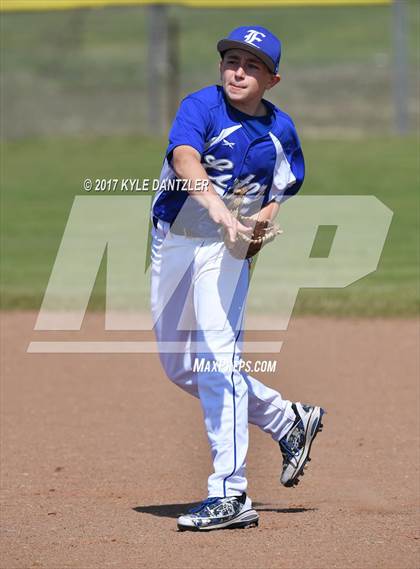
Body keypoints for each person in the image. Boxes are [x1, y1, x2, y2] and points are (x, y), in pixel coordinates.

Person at [150, 25, 325, 532]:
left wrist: (254, 227)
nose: (238, 71)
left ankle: (230, 492)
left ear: (272, 79)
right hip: (175, 239)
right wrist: (220, 211)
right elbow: (184, 158)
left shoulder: (280, 131)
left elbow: (281, 187)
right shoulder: (201, 106)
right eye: (231, 61)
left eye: (251, 65)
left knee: (216, 356)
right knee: (180, 366)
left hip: (223, 253)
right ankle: (285, 418)